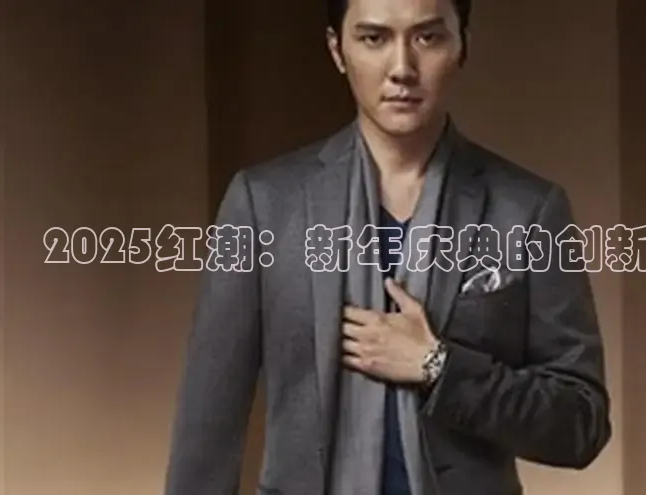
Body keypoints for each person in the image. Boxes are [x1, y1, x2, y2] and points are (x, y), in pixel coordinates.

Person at [163, 0, 612, 494]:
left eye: (427, 37)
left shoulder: (528, 209)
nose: (402, 68)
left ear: (462, 45)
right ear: (337, 50)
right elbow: (207, 426)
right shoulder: (262, 204)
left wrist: (438, 366)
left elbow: (581, 423)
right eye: (374, 38)